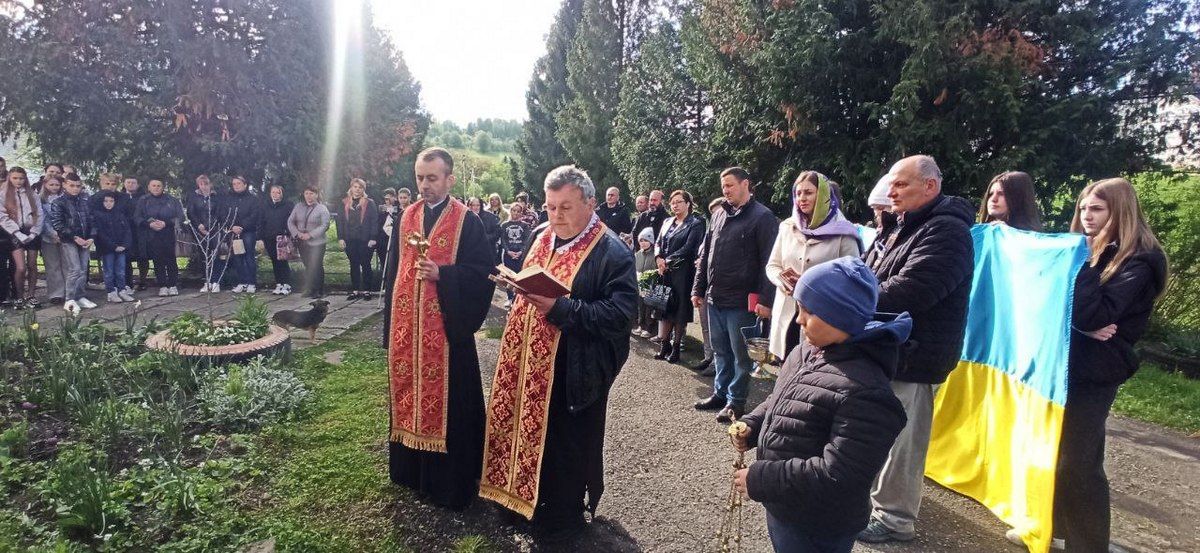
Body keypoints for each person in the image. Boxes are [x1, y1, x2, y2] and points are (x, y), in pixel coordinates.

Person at [480, 165, 636, 542]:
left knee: (563, 447)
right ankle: (515, 500)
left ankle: (558, 519)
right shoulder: (540, 234)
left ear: (591, 203)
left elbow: (621, 315)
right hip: (526, 363)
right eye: (550, 207)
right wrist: (516, 286)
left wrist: (561, 309)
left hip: (572, 370)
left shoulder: (612, 251)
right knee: (522, 430)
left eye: (566, 207)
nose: (556, 216)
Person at [733, 258, 910, 553]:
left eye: (808, 312)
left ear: (841, 316)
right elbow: (782, 400)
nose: (799, 320)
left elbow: (839, 474)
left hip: (820, 523)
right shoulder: (807, 350)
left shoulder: (866, 393)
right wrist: (753, 425)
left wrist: (762, 478)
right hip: (788, 504)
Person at [1037, 178, 1164, 552]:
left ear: (1120, 211)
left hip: (1096, 371)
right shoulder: (1089, 249)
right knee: (1058, 452)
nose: (1086, 216)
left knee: (1079, 462)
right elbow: (1060, 305)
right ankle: (1056, 529)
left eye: (1097, 209)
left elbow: (1097, 314)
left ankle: (1089, 544)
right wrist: (1078, 322)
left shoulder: (1140, 260)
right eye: (1083, 208)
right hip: (1064, 361)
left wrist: (1085, 263)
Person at [857, 155, 974, 544]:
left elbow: (913, 291)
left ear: (930, 186)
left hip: (916, 355)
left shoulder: (948, 232)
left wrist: (849, 300)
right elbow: (869, 274)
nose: (892, 192)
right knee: (876, 431)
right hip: (885, 349)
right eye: (891, 185)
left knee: (904, 444)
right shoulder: (901, 227)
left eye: (901, 185)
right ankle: (872, 505)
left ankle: (895, 519)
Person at [382, 147, 496, 511]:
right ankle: (411, 472)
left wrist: (443, 275)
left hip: (447, 337)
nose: (424, 185)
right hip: (408, 334)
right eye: (419, 177)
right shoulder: (407, 217)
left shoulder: (467, 221)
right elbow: (392, 273)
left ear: (450, 179)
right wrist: (390, 329)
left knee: (450, 406)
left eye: (432, 178)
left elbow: (483, 274)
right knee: (408, 397)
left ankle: (449, 482)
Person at [691, 168, 779, 423]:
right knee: (720, 351)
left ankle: (736, 401)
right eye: (723, 186)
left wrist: (765, 299)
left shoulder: (763, 217)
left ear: (745, 184)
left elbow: (769, 261)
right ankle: (720, 393)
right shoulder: (718, 215)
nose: (725, 190)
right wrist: (698, 288)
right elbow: (706, 256)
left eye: (730, 185)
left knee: (741, 355)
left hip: (742, 301)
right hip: (714, 297)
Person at [765, 171, 863, 362]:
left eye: (808, 192)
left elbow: (852, 277)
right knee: (786, 369)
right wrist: (782, 281)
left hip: (821, 318)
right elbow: (772, 265)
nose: (802, 198)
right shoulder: (787, 227)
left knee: (812, 372)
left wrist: (816, 286)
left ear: (824, 195)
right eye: (798, 193)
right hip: (788, 314)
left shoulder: (844, 232)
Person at [653, 190, 705, 363]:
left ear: (688, 203)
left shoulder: (695, 223)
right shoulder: (667, 221)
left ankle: (676, 348)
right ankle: (664, 344)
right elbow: (658, 242)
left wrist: (667, 260)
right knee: (665, 308)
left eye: (679, 202)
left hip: (682, 272)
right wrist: (659, 258)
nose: (675, 205)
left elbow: (689, 248)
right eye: (672, 202)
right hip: (664, 271)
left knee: (680, 310)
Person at [50, 173, 95, 311]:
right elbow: (58, 224)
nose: (75, 189)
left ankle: (80, 296)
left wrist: (92, 237)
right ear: (64, 185)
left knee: (83, 269)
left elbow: (92, 220)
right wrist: (75, 237)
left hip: (85, 240)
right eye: (72, 185)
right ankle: (69, 299)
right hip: (69, 240)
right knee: (74, 269)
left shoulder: (85, 201)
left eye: (78, 186)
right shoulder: (58, 202)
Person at [0, 167, 44, 308]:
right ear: (10, 178)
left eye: (21, 178)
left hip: (32, 231)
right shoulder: (3, 194)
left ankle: (31, 295)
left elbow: (40, 215)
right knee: (20, 267)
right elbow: (3, 217)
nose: (18, 181)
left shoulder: (33, 195)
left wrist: (34, 233)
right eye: (15, 178)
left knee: (32, 265)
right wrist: (16, 233)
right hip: (15, 232)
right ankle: (18, 296)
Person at [135, 179, 184, 296]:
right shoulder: (143, 200)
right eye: (154, 186)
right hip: (151, 235)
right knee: (157, 260)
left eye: (159, 186)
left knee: (171, 260)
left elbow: (180, 217)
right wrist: (149, 224)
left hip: (168, 234)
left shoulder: (172, 200)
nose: (156, 188)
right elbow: (137, 217)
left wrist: (166, 223)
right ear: (149, 187)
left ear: (163, 188)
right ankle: (162, 285)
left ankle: (172, 285)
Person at [336, 178, 380, 300]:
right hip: (350, 238)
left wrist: (373, 237)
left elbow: (374, 221)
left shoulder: (369, 203)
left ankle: (367, 290)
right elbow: (339, 221)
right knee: (353, 264)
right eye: (355, 187)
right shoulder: (344, 203)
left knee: (366, 264)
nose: (357, 189)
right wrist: (340, 238)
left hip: (365, 239)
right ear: (351, 188)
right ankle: (355, 290)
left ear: (363, 189)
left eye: (360, 187)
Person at [288, 185, 330, 299]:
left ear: (316, 195)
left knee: (316, 265)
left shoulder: (322, 208)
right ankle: (310, 288)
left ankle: (319, 290)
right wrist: (297, 233)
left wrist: (310, 235)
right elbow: (290, 221)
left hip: (317, 242)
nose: (309, 196)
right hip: (302, 241)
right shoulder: (298, 206)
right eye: (306, 193)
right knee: (307, 265)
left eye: (311, 193)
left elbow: (325, 225)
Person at [185, 174, 225, 293]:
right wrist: (199, 226)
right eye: (201, 184)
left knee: (215, 256)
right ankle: (207, 282)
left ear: (210, 184)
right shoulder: (194, 197)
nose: (204, 186)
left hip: (215, 229)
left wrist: (209, 227)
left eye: (206, 184)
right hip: (199, 231)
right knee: (204, 257)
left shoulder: (216, 198)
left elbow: (219, 214)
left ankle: (216, 282)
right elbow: (191, 213)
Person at [92, 191, 134, 303]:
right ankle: (111, 292)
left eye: (111, 201)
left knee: (121, 271)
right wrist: (113, 246)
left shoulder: (119, 214)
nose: (109, 203)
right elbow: (100, 234)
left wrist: (125, 245)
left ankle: (122, 290)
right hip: (107, 249)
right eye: (106, 201)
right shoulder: (97, 215)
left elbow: (127, 231)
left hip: (121, 248)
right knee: (109, 271)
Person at [223, 176, 262, 294]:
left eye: (238, 183)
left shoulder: (253, 199)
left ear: (245, 185)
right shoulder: (229, 199)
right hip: (233, 232)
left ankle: (251, 283)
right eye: (234, 184)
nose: (236, 186)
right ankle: (242, 282)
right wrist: (232, 226)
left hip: (248, 232)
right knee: (237, 257)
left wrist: (242, 226)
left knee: (249, 257)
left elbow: (254, 215)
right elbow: (225, 214)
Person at [978, 171, 1043, 231]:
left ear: (1018, 198)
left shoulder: (1032, 239)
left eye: (1001, 194)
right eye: (990, 194)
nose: (993, 199)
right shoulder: (976, 233)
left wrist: (1008, 233)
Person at [260, 184, 294, 296]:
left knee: (283, 261)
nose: (275, 194)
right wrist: (261, 236)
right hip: (269, 237)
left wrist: (288, 233)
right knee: (274, 260)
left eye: (278, 192)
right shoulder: (265, 205)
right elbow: (261, 221)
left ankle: (287, 284)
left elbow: (291, 221)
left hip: (282, 236)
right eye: (273, 192)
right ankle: (279, 282)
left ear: (282, 194)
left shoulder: (288, 205)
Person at [498, 202, 532, 309]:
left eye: (518, 211)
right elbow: (503, 240)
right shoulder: (504, 225)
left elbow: (527, 240)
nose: (516, 213)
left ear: (521, 213)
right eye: (514, 210)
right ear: (510, 211)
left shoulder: (525, 226)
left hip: (520, 255)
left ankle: (518, 298)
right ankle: (509, 298)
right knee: (508, 277)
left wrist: (521, 252)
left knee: (519, 277)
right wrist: (508, 251)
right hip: (508, 254)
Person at [38, 176, 66, 304]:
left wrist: (62, 233)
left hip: (64, 236)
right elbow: (41, 219)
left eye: (57, 185)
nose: (54, 187)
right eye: (52, 185)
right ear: (45, 185)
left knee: (66, 264)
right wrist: (52, 234)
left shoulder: (64, 199)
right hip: (48, 237)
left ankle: (68, 291)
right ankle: (56, 293)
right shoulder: (40, 200)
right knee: (52, 266)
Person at [121, 176, 149, 291]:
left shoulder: (144, 198)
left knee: (142, 256)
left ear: (137, 185)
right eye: (128, 182)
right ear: (124, 184)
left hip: (141, 230)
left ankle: (142, 281)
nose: (131, 184)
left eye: (133, 182)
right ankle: (128, 283)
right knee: (126, 257)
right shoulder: (120, 197)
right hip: (125, 231)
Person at [632, 227, 658, 338]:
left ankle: (649, 328)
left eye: (646, 240)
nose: (643, 243)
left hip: (652, 285)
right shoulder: (638, 254)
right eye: (641, 241)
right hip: (639, 284)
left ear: (651, 242)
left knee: (649, 308)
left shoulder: (655, 255)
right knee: (640, 307)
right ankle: (640, 325)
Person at [467, 196, 501, 264]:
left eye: (478, 205)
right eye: (473, 205)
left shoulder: (491, 217)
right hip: (471, 255)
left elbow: (497, 234)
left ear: (481, 205)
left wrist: (483, 239)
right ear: (469, 206)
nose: (475, 207)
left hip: (488, 253)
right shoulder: (464, 218)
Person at [376, 187, 398, 273]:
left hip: (394, 240)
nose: (388, 199)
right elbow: (378, 223)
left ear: (394, 197)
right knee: (383, 263)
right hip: (382, 241)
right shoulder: (381, 209)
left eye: (390, 197)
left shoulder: (398, 209)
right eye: (386, 197)